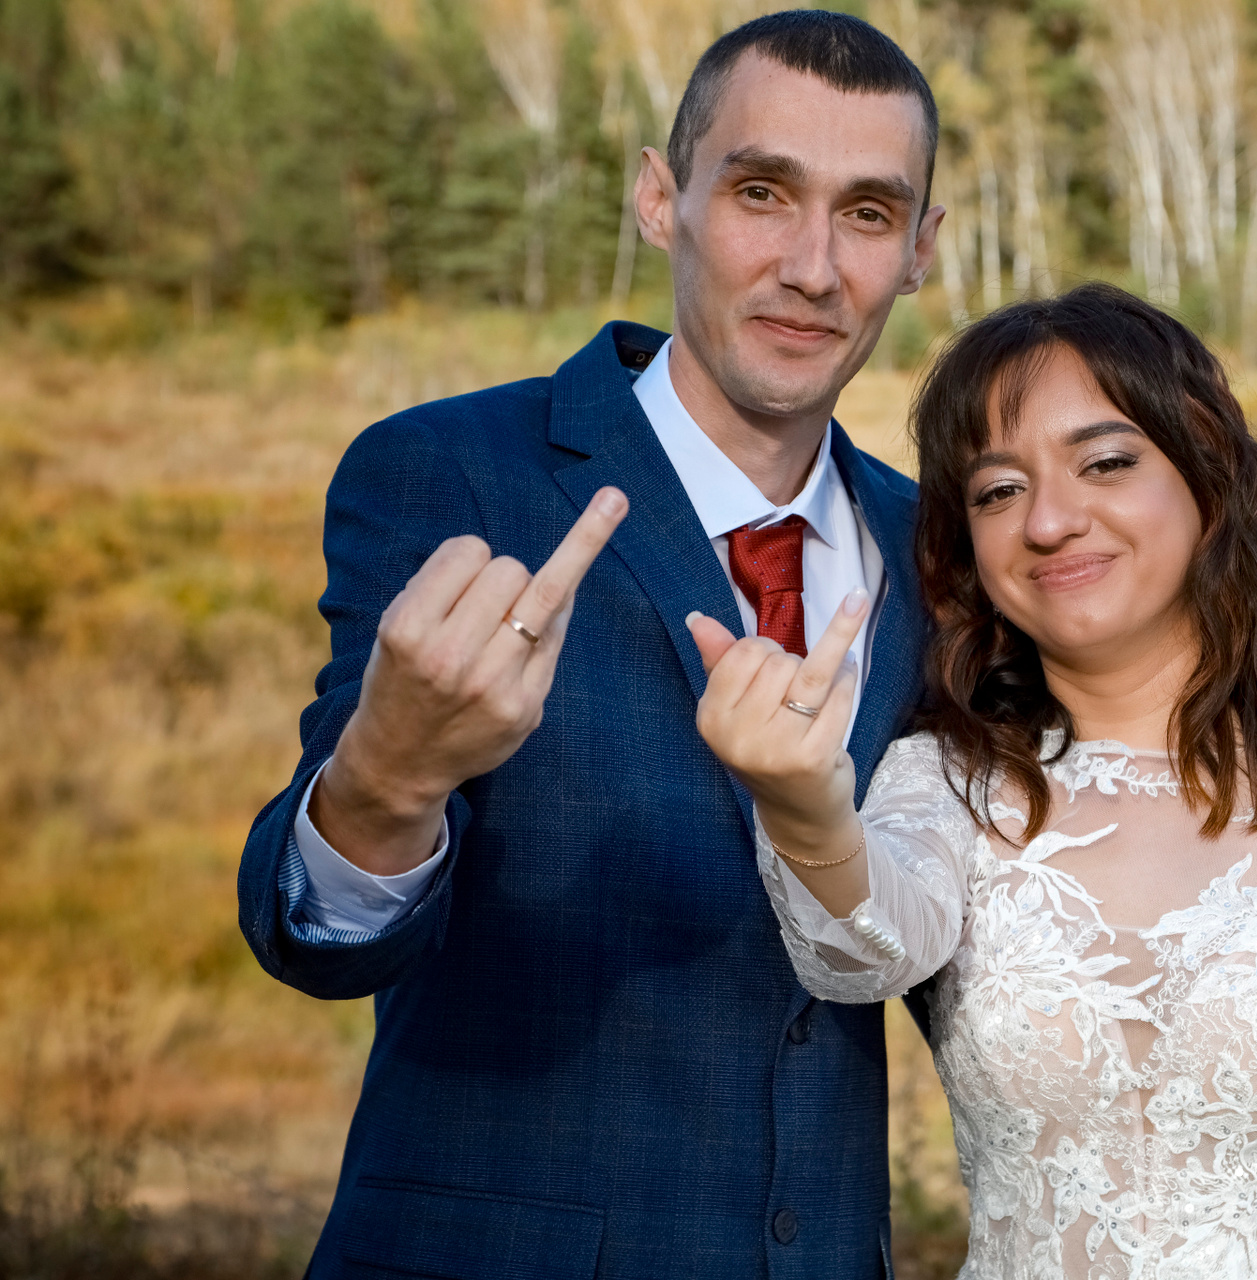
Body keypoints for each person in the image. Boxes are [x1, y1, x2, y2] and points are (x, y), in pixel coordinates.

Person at [691, 283, 1257, 1278]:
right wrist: (804, 803)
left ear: (1207, 472)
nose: (1049, 520)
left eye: (1106, 463)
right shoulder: (950, 780)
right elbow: (865, 950)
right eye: (998, 491)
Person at [237, 12, 941, 1276]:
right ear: (660, 199)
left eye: (869, 213)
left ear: (922, 251)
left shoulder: (941, 549)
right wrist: (386, 777)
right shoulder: (451, 472)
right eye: (762, 193)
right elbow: (316, 942)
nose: (813, 266)